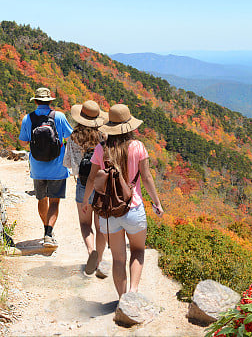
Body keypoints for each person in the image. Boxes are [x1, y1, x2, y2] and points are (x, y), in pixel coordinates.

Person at [82, 104, 164, 298]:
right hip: (133, 209)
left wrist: (86, 202)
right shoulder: (138, 147)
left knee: (118, 259)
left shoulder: (101, 150)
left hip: (109, 212)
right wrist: (157, 203)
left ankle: (121, 299)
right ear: (129, 126)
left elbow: (92, 179)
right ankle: (132, 293)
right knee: (137, 251)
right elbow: (146, 178)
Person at [18, 86, 73, 248]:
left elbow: (23, 142)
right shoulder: (60, 116)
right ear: (50, 101)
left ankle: (46, 229)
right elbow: (70, 137)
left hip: (37, 167)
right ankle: (48, 234)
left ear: (35, 101)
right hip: (57, 167)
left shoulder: (28, 118)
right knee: (54, 201)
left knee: (41, 199)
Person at [62, 99, 108, 276]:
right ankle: (100, 260)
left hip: (82, 184)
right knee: (100, 225)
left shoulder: (73, 137)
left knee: (85, 223)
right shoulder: (103, 137)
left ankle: (90, 252)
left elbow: (67, 164)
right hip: (101, 186)